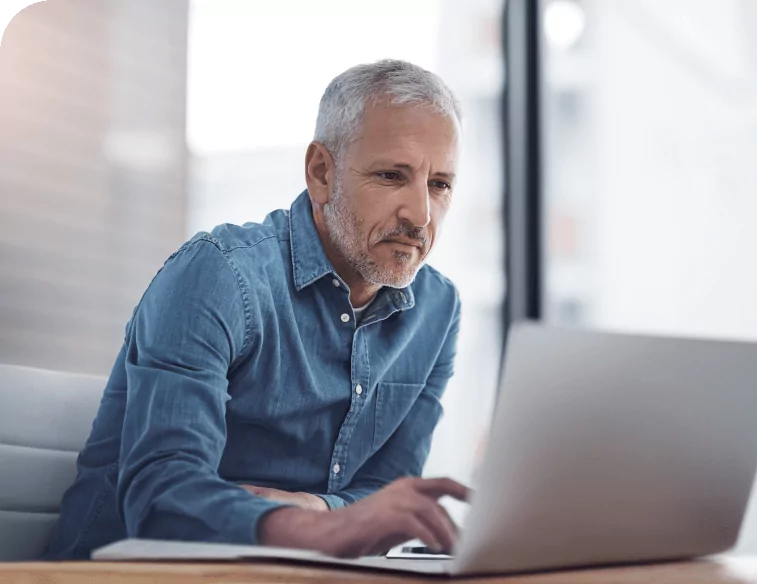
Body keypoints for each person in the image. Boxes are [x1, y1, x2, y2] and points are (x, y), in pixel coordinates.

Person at [44, 59, 468, 560]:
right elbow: (161, 496)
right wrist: (324, 531)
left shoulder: (437, 310)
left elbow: (387, 491)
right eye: (391, 175)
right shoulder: (219, 275)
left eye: (439, 184)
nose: (420, 215)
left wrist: (321, 510)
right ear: (321, 173)